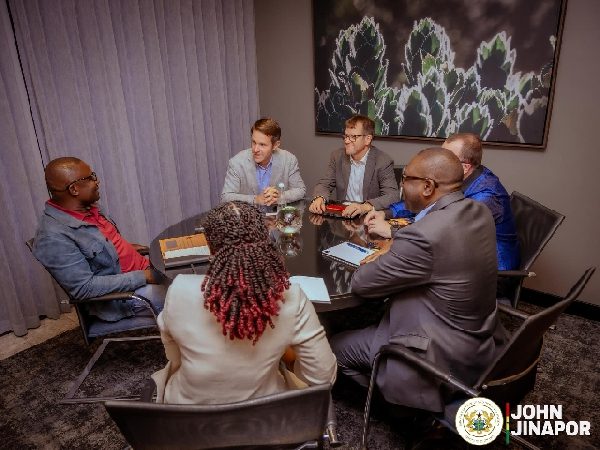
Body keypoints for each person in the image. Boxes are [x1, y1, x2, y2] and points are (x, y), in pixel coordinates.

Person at [331, 147, 506, 413]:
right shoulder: (478, 211)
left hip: (435, 354)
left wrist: (388, 249)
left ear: (427, 187)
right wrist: (398, 241)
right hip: (477, 339)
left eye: (405, 179)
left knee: (332, 348)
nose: (401, 185)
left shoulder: (423, 236)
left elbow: (362, 283)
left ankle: (398, 406)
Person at [152, 201, 337, 404]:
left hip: (186, 416)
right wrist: (288, 365)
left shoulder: (179, 289)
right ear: (266, 240)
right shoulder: (291, 297)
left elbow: (173, 355)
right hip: (266, 416)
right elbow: (322, 377)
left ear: (210, 248)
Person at [32, 157, 165, 322]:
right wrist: (145, 276)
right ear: (74, 189)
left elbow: (103, 247)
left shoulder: (89, 209)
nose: (97, 181)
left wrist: (127, 249)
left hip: (148, 272)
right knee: (192, 295)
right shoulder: (52, 237)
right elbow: (83, 288)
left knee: (192, 266)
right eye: (91, 178)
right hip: (127, 297)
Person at [376, 132, 519, 270]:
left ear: (465, 167)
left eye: (447, 158)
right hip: (459, 255)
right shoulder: (453, 179)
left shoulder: (485, 197)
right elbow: (425, 201)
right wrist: (387, 212)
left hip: (489, 270)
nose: (439, 160)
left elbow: (442, 233)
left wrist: (392, 231)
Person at [309, 115, 400, 218]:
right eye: (346, 136)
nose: (346, 141)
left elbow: (392, 196)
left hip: (367, 218)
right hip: (343, 216)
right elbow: (325, 184)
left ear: (367, 139)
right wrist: (319, 198)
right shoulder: (337, 156)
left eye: (353, 137)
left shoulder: (383, 161)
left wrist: (365, 207)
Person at [221, 117, 306, 206]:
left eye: (262, 144)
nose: (255, 149)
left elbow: (300, 190)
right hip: (248, 214)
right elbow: (226, 197)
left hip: (278, 214)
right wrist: (255, 199)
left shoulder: (289, 160)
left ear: (275, 145)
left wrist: (279, 196)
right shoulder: (237, 162)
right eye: (254, 142)